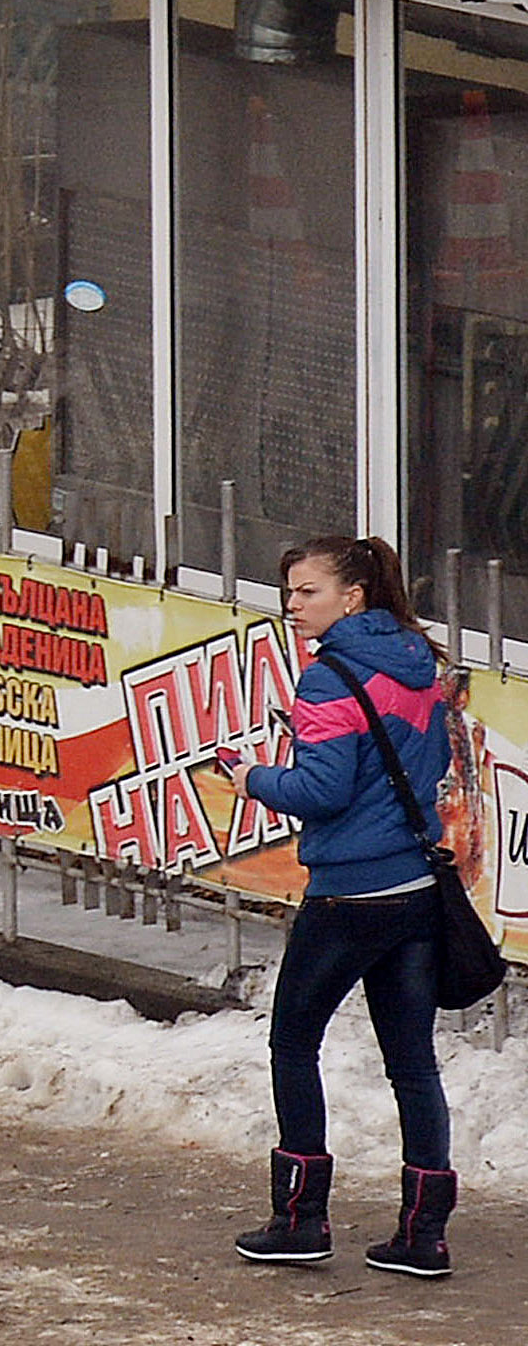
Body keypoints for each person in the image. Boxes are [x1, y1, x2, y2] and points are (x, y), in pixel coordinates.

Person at [212, 534, 458, 1278]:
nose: (292, 605)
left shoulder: (327, 680)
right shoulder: (418, 665)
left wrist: (252, 777)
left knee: (292, 1042)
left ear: (352, 597)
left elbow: (320, 790)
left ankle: (299, 1219)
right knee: (412, 1063)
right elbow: (433, 766)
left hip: (348, 893)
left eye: (307, 591)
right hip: (415, 888)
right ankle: (423, 1236)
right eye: (288, 591)